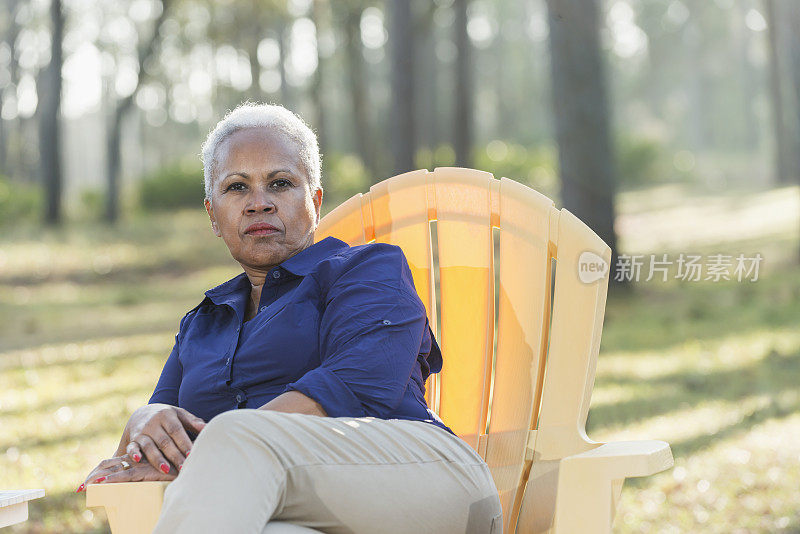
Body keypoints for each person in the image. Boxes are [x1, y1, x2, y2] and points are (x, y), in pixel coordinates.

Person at [80, 103, 503, 534]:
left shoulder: (366, 269)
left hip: (429, 481)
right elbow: (162, 434)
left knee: (236, 436)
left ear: (314, 202)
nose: (258, 203)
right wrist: (143, 419)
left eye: (280, 184)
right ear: (212, 214)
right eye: (237, 188)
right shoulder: (203, 323)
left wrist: (217, 442)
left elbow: (358, 383)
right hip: (294, 509)